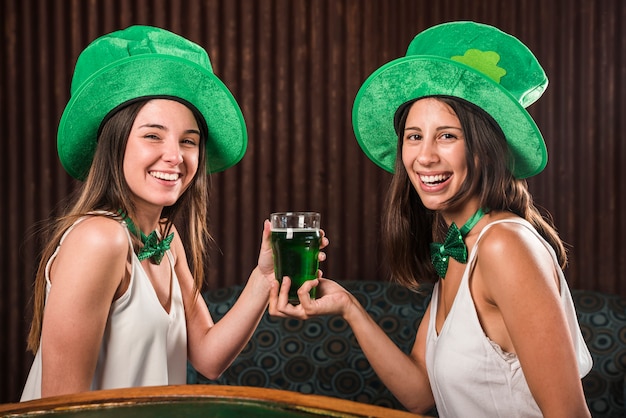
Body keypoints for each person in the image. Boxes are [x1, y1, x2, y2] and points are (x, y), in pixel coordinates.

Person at [270, 21, 592, 417]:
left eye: (447, 136)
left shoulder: (504, 245)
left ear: (485, 149)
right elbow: (421, 392)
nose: (424, 157)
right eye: (414, 136)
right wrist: (349, 307)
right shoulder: (460, 242)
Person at [21, 25, 327, 401]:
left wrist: (265, 277)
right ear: (115, 143)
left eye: (189, 141)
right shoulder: (99, 239)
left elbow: (209, 358)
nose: (175, 156)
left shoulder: (164, 239)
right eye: (152, 135)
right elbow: (60, 409)